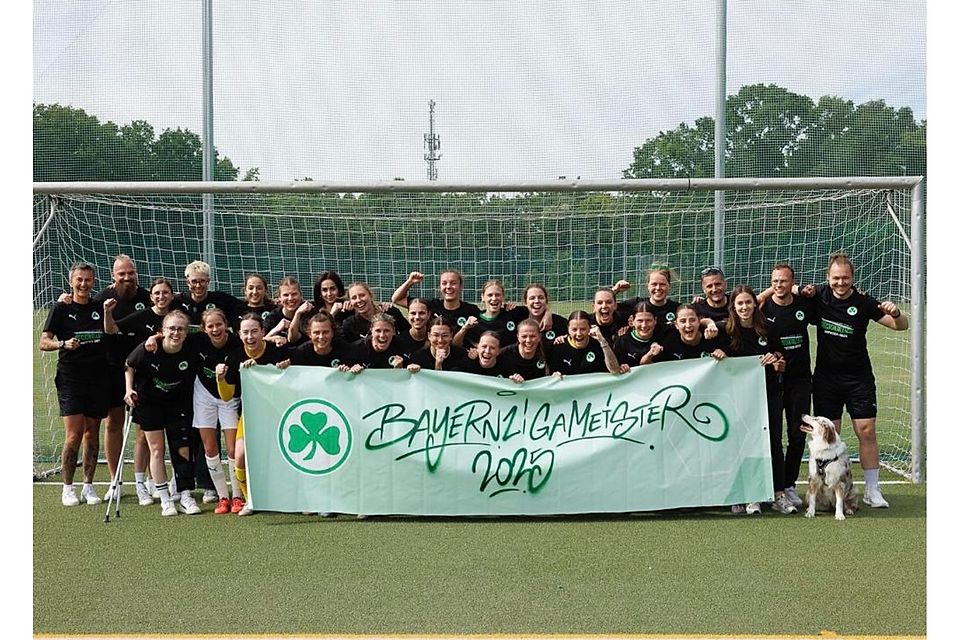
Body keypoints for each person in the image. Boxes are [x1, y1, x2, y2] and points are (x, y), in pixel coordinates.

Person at [804, 251, 908, 508]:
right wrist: (798, 288)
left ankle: (873, 490)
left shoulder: (863, 302)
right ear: (828, 278)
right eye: (836, 278)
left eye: (846, 278)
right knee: (831, 434)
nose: (841, 283)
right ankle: (828, 494)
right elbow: (785, 294)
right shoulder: (818, 296)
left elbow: (901, 326)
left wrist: (896, 313)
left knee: (867, 431)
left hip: (858, 378)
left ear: (853, 278)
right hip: (826, 379)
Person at [40, 262, 109, 506]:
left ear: (93, 281)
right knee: (74, 434)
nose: (83, 284)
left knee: (92, 433)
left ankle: (88, 486)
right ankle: (67, 488)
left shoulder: (100, 307)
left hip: (98, 379)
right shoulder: (60, 308)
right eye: (79, 279)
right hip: (71, 379)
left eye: (88, 280)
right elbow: (43, 341)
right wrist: (62, 344)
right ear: (71, 281)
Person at [104, 276, 177, 506]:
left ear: (172, 295)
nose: (161, 297)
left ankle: (164, 483)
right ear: (151, 296)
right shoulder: (142, 316)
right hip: (145, 384)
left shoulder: (177, 317)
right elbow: (113, 329)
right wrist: (107, 313)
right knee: (143, 437)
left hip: (174, 384)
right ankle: (140, 484)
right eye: (157, 293)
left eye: (165, 293)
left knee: (171, 436)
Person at [124, 310, 201, 516]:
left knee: (183, 448)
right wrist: (128, 389)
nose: (176, 333)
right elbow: (129, 365)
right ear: (163, 330)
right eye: (171, 329)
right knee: (157, 449)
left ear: (187, 332)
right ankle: (165, 499)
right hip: (150, 403)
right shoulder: (149, 348)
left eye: (180, 329)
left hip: (179, 403)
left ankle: (185, 494)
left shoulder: (192, 348)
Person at [722, 286, 790, 516]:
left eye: (748, 303)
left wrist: (777, 359)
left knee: (773, 442)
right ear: (733, 307)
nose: (744, 307)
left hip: (768, 393)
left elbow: (781, 355)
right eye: (739, 304)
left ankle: (778, 494)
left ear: (755, 304)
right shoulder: (726, 331)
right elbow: (715, 357)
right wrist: (719, 355)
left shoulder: (768, 328)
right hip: (739, 398)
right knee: (746, 444)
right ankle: (750, 494)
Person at [758, 263, 817, 510]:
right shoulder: (763, 308)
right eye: (775, 282)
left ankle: (790, 484)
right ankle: (773, 485)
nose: (779, 286)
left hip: (801, 380)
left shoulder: (803, 305)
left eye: (783, 281)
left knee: (796, 434)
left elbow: (822, 304)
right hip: (772, 381)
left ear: (792, 283)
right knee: (772, 435)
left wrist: (806, 290)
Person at [216, 314, 288, 516]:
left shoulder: (278, 350)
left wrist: (285, 368)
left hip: (280, 414)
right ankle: (251, 500)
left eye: (254, 331)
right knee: (239, 456)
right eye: (245, 332)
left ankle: (292, 499)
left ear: (263, 332)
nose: (250, 336)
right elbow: (227, 396)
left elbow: (294, 377)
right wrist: (220, 378)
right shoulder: (235, 357)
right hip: (251, 415)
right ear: (239, 335)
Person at [189, 309, 244, 515]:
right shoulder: (197, 342)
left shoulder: (237, 343)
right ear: (204, 329)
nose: (215, 329)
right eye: (210, 326)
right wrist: (153, 338)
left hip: (229, 397)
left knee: (232, 449)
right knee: (210, 448)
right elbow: (170, 335)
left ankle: (237, 495)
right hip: (204, 395)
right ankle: (223, 497)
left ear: (226, 324)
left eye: (218, 325)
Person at [391, 269, 481, 329]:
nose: (448, 286)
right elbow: (396, 299)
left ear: (460, 286)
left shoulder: (471, 310)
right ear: (440, 287)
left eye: (453, 283)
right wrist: (410, 282)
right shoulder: (431, 305)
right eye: (444, 283)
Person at [547, 311, 620, 376]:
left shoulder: (599, 343)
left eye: (583, 329)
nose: (578, 334)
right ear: (568, 329)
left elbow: (615, 370)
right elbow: (553, 375)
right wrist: (555, 376)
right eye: (574, 329)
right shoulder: (559, 347)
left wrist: (602, 342)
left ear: (590, 328)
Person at [174, 260, 241, 331]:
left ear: (208, 281)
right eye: (194, 281)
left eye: (202, 281)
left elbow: (245, 309)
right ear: (188, 282)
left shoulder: (221, 299)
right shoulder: (178, 300)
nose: (198, 285)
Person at [459, 279, 525, 348]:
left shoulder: (513, 314)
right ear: (482, 297)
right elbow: (462, 344)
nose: (494, 298)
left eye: (498, 295)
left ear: (503, 297)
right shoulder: (475, 321)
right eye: (490, 295)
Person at [612, 264, 681, 330]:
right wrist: (614, 291)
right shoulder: (636, 304)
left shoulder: (677, 309)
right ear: (648, 286)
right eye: (654, 284)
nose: (658, 288)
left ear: (669, 285)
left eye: (662, 284)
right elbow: (608, 308)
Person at [340, 282, 410, 344]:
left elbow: (408, 334)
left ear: (370, 295)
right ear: (350, 301)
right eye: (354, 298)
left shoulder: (390, 312)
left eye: (362, 295)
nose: (358, 300)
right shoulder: (350, 324)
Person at [279, 311, 352, 369]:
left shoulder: (345, 350)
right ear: (309, 334)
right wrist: (285, 366)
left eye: (325, 332)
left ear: (332, 333)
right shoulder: (301, 353)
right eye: (316, 333)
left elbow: (356, 368)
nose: (321, 337)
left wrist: (353, 368)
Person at [657, 304, 726, 361]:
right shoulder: (669, 343)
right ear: (676, 325)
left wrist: (723, 357)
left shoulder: (713, 337)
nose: (688, 325)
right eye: (683, 321)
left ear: (699, 321)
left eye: (692, 320)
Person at [342, 313, 407, 370]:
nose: (382, 335)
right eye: (378, 331)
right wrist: (353, 369)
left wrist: (401, 369)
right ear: (371, 331)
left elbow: (411, 371)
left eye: (387, 331)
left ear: (393, 331)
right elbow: (345, 374)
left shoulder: (401, 346)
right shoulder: (356, 349)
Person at [612, 302, 663, 372]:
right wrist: (621, 367)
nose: (644, 325)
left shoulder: (663, 338)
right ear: (632, 321)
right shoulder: (622, 342)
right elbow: (615, 369)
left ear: (655, 320)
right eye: (640, 321)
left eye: (648, 320)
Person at [263, 276, 310, 349]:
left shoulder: (308, 313)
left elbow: (293, 339)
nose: (290, 298)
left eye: (294, 294)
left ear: (301, 295)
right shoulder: (273, 317)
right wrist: (275, 331)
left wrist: (298, 313)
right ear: (279, 298)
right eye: (286, 295)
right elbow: (260, 341)